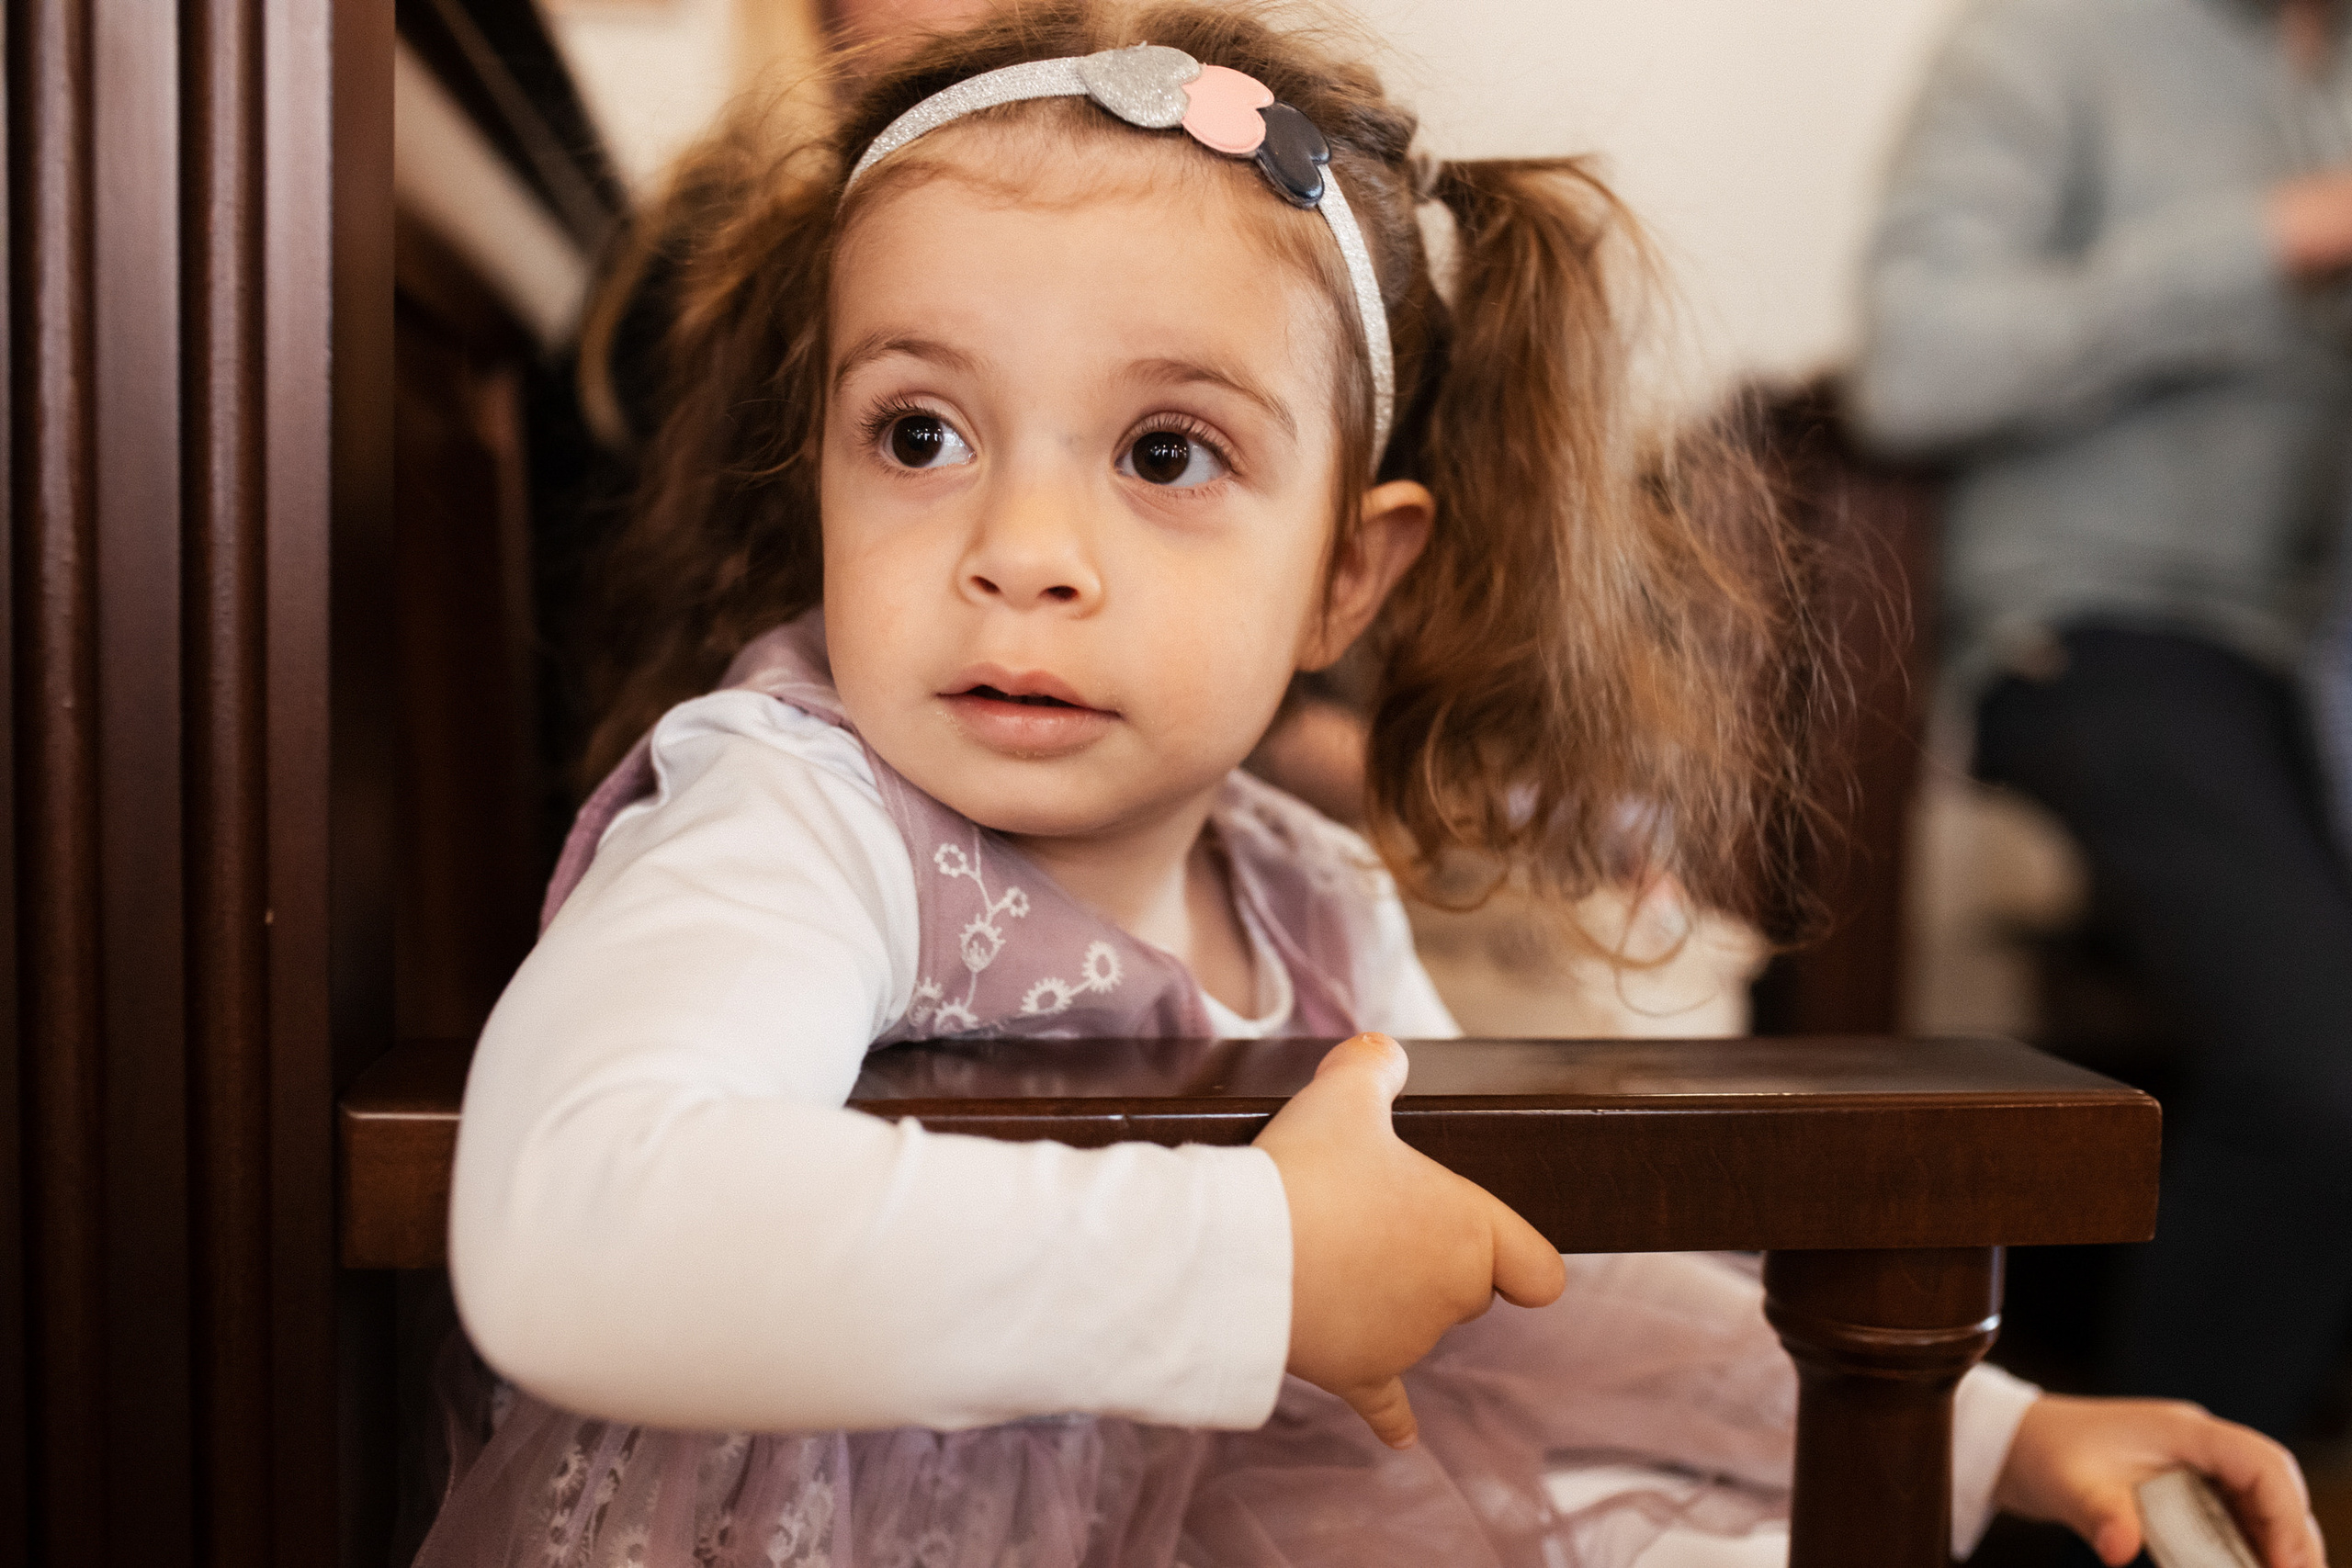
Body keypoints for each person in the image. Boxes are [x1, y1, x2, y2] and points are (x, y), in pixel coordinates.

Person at [417, 7, 2323, 1565]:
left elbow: (1509, 1269)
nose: (1020, 544)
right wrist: (1248, 1251)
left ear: (1349, 570)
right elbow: (576, 1215)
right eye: (917, 430)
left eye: (1165, 450)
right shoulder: (794, 816)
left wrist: (1990, 1419)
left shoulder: (1310, 892)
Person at [1853, 0, 2352, 1449]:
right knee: (2325, 1072)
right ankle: (2138, 1524)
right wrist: (2272, 240)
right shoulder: (2047, 43)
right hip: (2101, 641)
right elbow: (1915, 365)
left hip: (2315, 655)